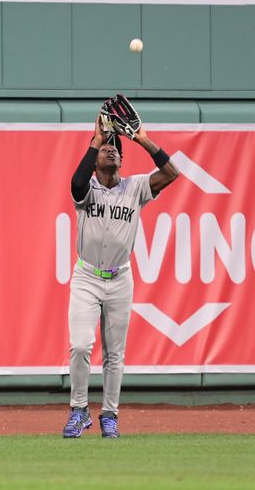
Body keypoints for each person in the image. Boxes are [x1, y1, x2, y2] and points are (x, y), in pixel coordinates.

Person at [63, 110, 180, 438]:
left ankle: (110, 415)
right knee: (81, 346)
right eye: (106, 149)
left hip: (119, 278)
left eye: (116, 148)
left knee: (114, 353)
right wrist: (95, 142)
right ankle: (79, 410)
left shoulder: (136, 187)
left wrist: (142, 139)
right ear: (96, 159)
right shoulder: (86, 190)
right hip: (86, 277)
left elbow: (171, 173)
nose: (112, 149)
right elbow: (74, 183)